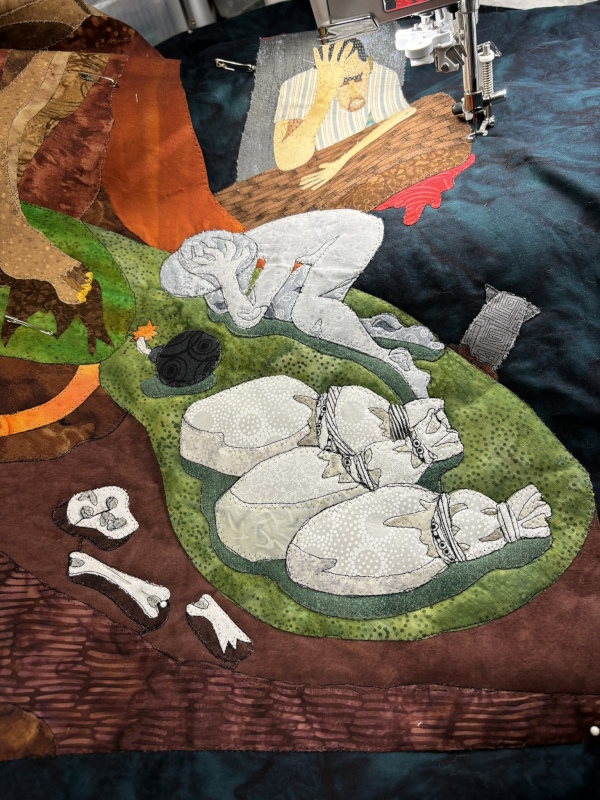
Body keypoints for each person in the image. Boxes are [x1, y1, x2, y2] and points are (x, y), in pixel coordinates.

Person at [160, 209, 436, 398]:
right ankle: (385, 331)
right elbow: (245, 300)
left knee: (307, 312)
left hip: (354, 236)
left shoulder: (274, 249)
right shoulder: (257, 243)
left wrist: (225, 276)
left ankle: (394, 362)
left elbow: (248, 318)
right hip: (343, 236)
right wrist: (227, 281)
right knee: (299, 308)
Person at [273, 38, 416, 189]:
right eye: (343, 83)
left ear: (368, 66)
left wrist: (341, 161)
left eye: (358, 78)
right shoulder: (295, 87)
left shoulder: (382, 74)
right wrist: (324, 93)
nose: (353, 93)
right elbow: (286, 161)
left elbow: (405, 114)